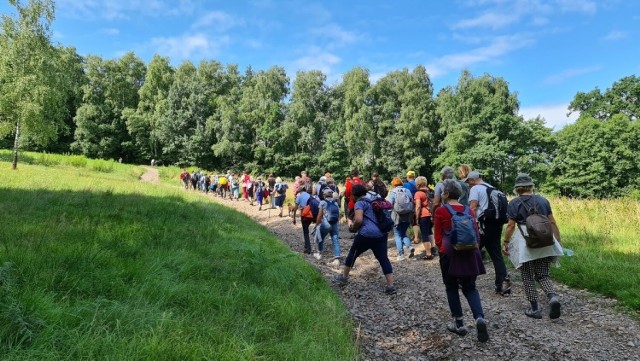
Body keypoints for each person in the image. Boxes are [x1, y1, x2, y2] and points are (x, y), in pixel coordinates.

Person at [502, 173, 564, 320]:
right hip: (545, 241)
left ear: (517, 188)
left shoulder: (514, 203)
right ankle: (553, 298)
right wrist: (558, 240)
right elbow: (552, 222)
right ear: (531, 186)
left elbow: (511, 225)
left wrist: (506, 242)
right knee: (543, 274)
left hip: (526, 243)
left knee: (528, 275)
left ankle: (534, 308)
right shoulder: (543, 200)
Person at [434, 179, 489, 342]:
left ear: (445, 194)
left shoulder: (441, 211)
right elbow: (476, 234)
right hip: (470, 252)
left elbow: (438, 237)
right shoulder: (468, 210)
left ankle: (459, 324)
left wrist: (442, 250)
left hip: (449, 253)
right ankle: (479, 318)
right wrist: (475, 249)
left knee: (451, 288)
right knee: (470, 288)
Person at [332, 184, 397, 295]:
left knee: (352, 254)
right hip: (381, 234)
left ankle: (344, 277)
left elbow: (359, 220)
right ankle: (390, 285)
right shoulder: (373, 200)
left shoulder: (359, 203)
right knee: (383, 258)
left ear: (354, 195)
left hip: (366, 234)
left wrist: (353, 228)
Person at [465, 171, 510, 295]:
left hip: (483, 225)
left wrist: (470, 224)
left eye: (468, 181)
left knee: (473, 252)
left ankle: (468, 282)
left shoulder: (475, 189)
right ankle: (502, 284)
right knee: (496, 255)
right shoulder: (493, 188)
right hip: (496, 224)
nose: (468, 184)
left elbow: (473, 207)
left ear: (473, 180)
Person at [314, 187, 342, 267]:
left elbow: (319, 215)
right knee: (335, 240)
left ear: (324, 195)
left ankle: (319, 253)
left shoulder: (322, 202)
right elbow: (338, 215)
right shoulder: (336, 203)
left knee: (320, 237)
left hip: (326, 223)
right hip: (335, 224)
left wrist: (317, 224)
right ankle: (337, 259)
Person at [389, 177, 415, 261]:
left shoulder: (393, 192)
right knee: (403, 233)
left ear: (393, 184)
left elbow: (389, 204)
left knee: (397, 235)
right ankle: (410, 246)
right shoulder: (407, 190)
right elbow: (411, 201)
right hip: (407, 215)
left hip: (396, 216)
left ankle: (401, 255)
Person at [414, 176, 437, 260]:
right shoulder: (430, 191)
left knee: (424, 234)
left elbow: (418, 206)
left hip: (423, 215)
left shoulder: (418, 193)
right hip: (431, 215)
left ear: (418, 184)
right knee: (430, 231)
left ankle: (428, 254)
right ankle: (433, 248)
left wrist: (416, 217)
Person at [293, 183, 314, 254]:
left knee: (306, 232)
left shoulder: (299, 196)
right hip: (311, 215)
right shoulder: (309, 195)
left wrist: (294, 218)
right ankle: (307, 246)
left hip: (304, 215)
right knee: (306, 230)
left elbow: (295, 208)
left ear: (299, 190)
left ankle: (308, 248)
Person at [404, 171, 421, 244]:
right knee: (415, 221)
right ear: (414, 177)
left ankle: (409, 237)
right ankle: (416, 237)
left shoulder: (405, 185)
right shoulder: (418, 184)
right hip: (418, 204)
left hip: (409, 205)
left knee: (407, 221)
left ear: (407, 177)